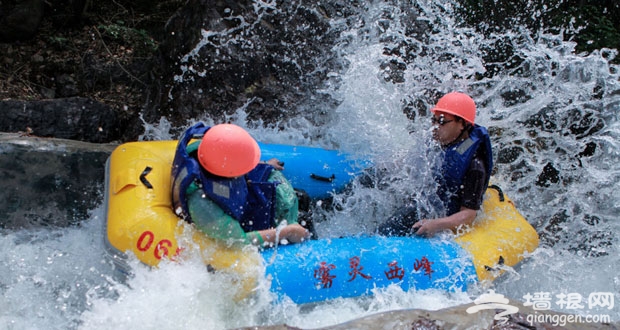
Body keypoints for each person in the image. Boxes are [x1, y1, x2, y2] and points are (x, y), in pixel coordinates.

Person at [171, 122, 310, 247]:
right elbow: (239, 242)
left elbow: (224, 158)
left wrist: (263, 164)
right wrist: (287, 232)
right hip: (231, 224)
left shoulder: (204, 149)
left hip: (237, 198)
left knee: (302, 198)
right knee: (302, 219)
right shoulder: (203, 205)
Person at [377, 92, 493, 237]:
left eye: (442, 122)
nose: (435, 127)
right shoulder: (443, 142)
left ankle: (368, 243)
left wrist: (435, 224)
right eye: (434, 120)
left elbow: (469, 214)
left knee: (398, 221)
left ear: (462, 124)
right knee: (374, 176)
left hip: (440, 210)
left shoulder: (475, 166)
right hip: (427, 195)